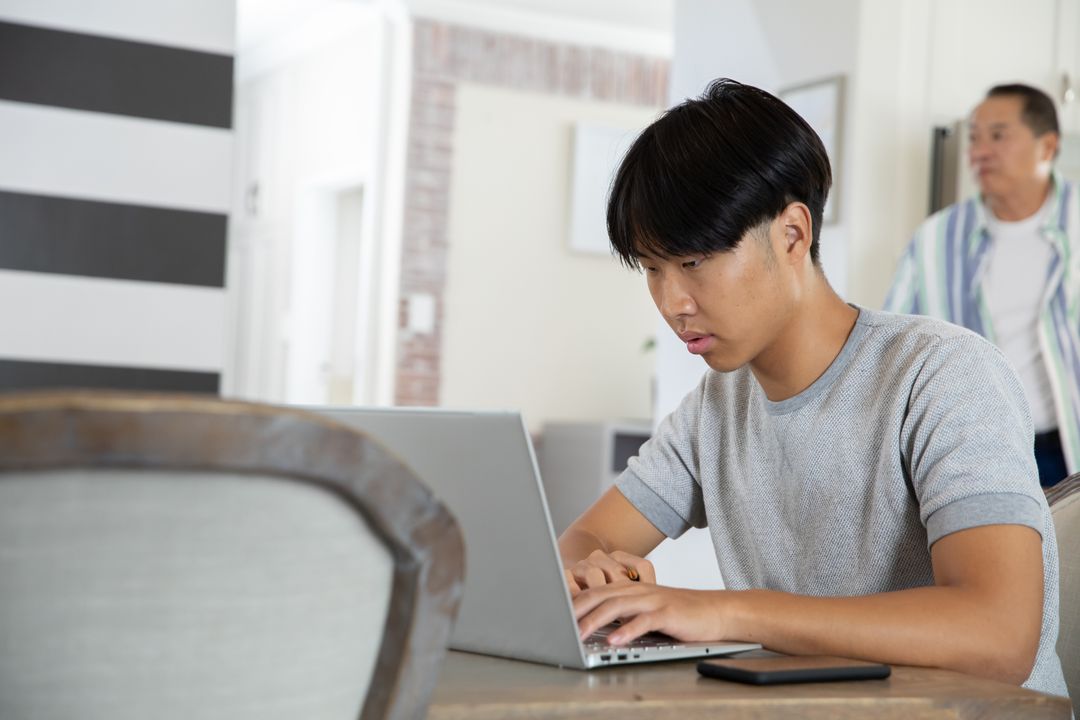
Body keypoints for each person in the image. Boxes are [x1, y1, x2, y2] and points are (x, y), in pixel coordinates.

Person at [558, 78, 1068, 699]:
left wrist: (727, 612)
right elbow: (582, 541)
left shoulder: (943, 374)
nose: (672, 303)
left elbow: (998, 635)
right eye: (652, 269)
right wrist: (591, 568)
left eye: (692, 262)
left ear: (792, 234)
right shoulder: (716, 410)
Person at [885, 83, 1078, 488]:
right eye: (974, 137)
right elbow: (893, 346)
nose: (979, 151)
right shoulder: (935, 240)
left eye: (998, 135)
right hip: (976, 448)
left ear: (1047, 146)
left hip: (1068, 445)